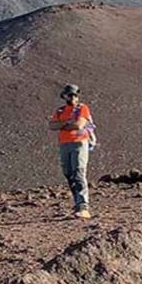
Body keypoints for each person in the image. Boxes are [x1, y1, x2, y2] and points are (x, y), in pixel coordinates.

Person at [49, 84, 95, 219]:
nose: (72, 98)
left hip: (79, 142)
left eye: (74, 95)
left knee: (78, 172)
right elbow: (52, 125)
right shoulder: (60, 110)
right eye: (69, 95)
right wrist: (67, 124)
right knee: (68, 173)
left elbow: (78, 125)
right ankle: (77, 203)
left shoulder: (82, 108)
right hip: (64, 144)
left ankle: (83, 206)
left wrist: (62, 124)